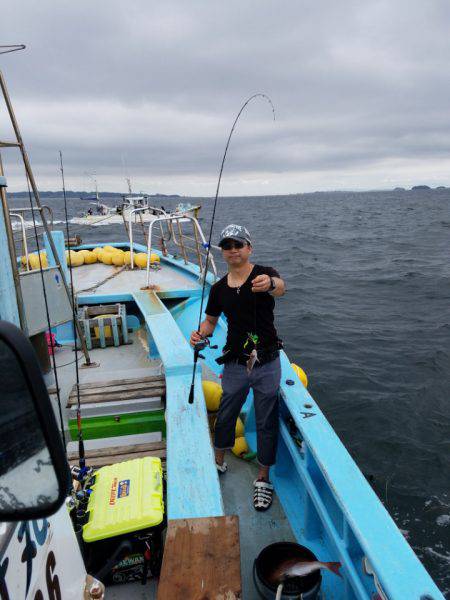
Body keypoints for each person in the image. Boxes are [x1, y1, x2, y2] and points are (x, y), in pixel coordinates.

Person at [190, 224, 286, 511]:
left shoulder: (264, 274)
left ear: (249, 248)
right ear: (222, 251)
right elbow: (210, 321)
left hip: (267, 360)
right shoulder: (219, 288)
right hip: (234, 361)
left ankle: (263, 478)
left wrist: (269, 284)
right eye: (227, 245)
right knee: (227, 410)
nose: (233, 249)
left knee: (266, 417)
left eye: (238, 244)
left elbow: (281, 288)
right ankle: (218, 461)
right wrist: (200, 334)